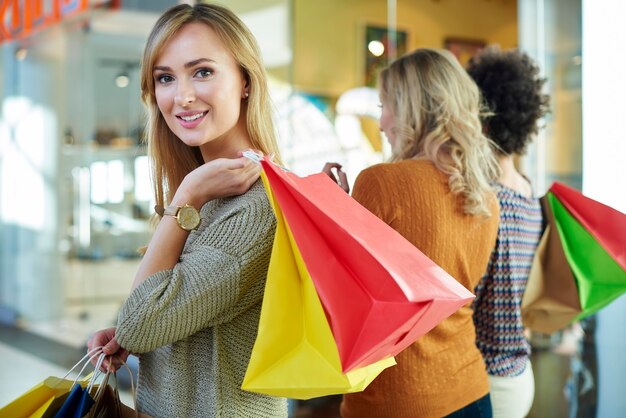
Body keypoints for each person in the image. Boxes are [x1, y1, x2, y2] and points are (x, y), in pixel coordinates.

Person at [86, 4, 287, 417]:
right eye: (165, 78)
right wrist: (134, 335)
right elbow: (146, 319)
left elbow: (138, 323)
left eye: (203, 71)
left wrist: (185, 197)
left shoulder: (255, 208)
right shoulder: (211, 191)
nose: (182, 96)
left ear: (246, 81)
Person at [325, 48, 501, 417]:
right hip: (472, 389)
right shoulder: (485, 197)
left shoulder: (381, 182)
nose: (382, 122)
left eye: (384, 106)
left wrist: (330, 213)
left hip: (397, 399)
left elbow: (346, 297)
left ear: (411, 111)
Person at [467, 46, 550, 418]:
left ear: (481, 120)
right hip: (519, 373)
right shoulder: (530, 193)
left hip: (486, 379)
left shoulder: (485, 202)